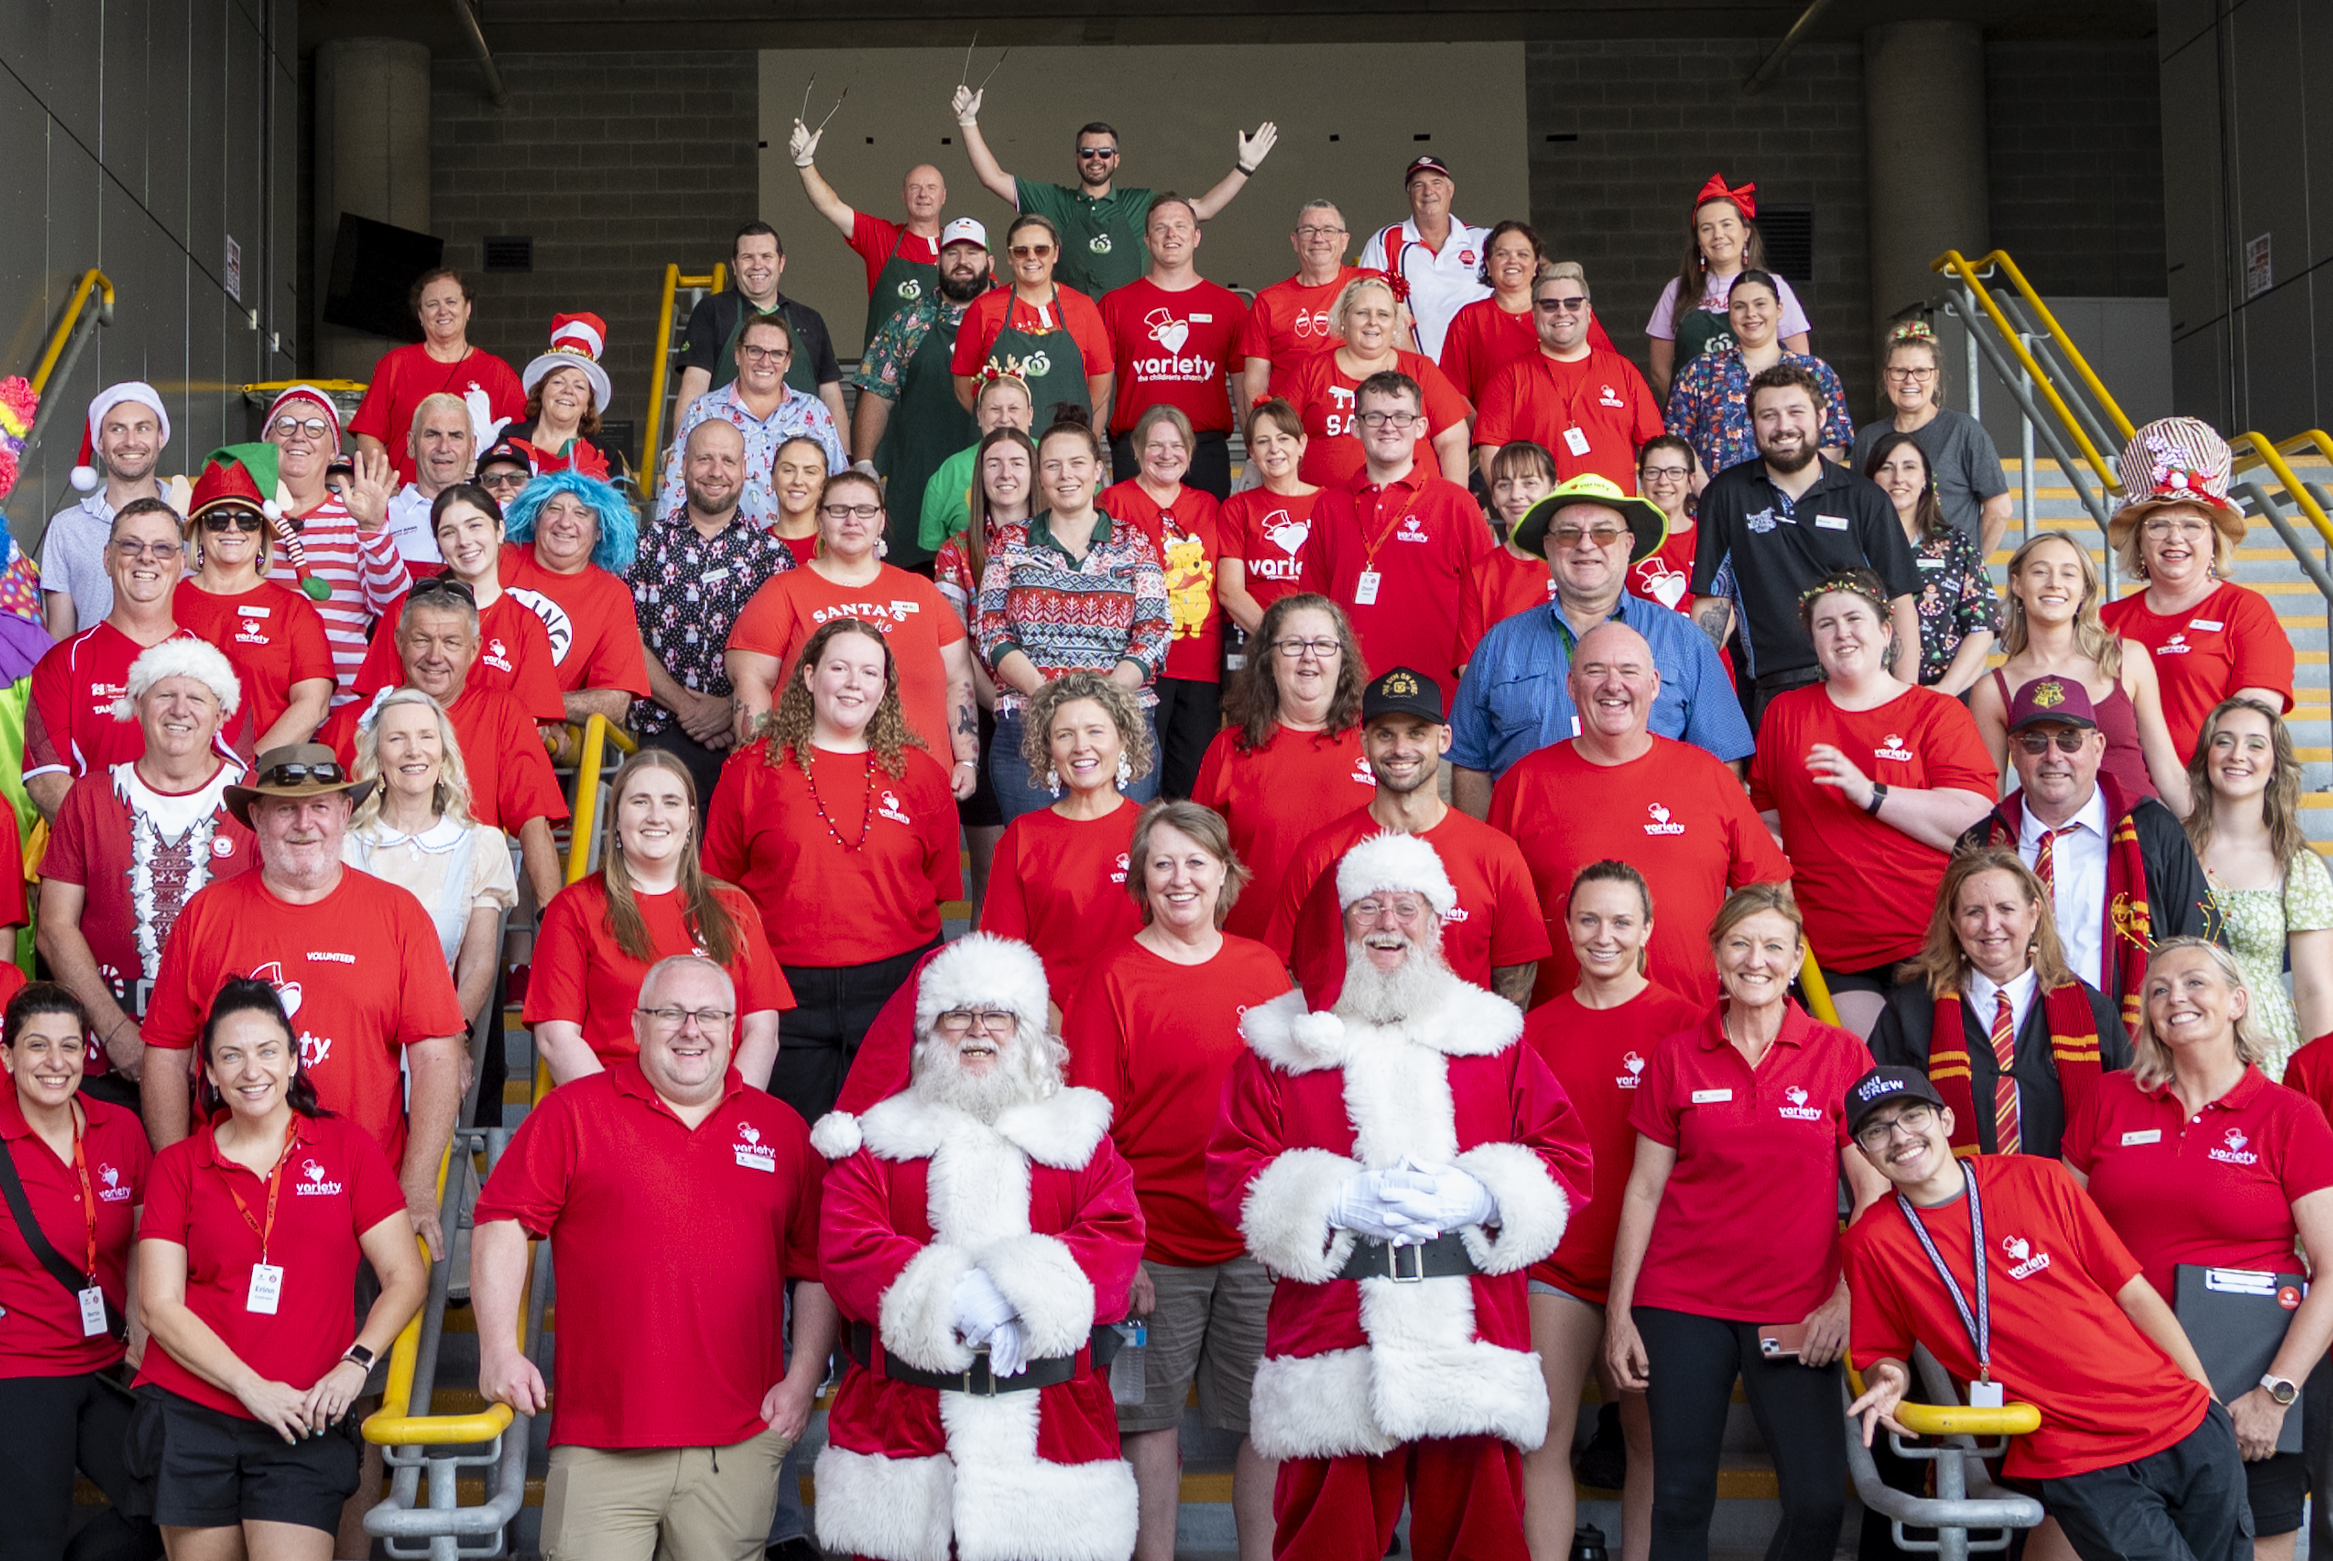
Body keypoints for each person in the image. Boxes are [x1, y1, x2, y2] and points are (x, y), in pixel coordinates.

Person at [1207, 831, 1591, 1561]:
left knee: (1481, 1540)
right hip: (1332, 1335)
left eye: (1406, 907)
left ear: (1436, 920)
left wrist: (1479, 1195)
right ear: (1339, 921)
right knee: (1325, 1541)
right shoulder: (1281, 1040)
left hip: (1470, 1335)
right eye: (1367, 907)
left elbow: (1565, 1159)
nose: (1387, 922)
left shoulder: (1491, 1035)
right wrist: (1329, 1199)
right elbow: (1232, 1170)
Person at [475, 954, 834, 1561]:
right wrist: (498, 1349)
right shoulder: (574, 1113)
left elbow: (815, 1268)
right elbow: (503, 1222)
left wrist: (801, 1382)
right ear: (638, 1025)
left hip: (737, 1448)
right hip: (602, 1447)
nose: (691, 1029)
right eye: (670, 1013)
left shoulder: (782, 1130)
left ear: (733, 1027)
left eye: (710, 1015)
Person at [808, 932, 1144, 1561]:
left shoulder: (1080, 1133)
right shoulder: (881, 1136)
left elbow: (1117, 1236)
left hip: (1055, 1436)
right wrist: (954, 1295)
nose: (977, 1032)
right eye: (957, 1015)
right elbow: (846, 1243)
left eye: (998, 1015)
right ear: (928, 1031)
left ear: (1030, 1031)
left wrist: (1016, 1291)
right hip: (904, 1432)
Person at [1841, 1065, 2248, 1561]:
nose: (1900, 1136)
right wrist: (1888, 1379)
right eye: (1877, 1129)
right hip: (2077, 1455)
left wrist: (2206, 1399)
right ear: (1863, 1152)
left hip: (2183, 1422)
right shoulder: (1871, 1242)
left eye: (1912, 1116)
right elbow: (1883, 1350)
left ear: (1946, 1121)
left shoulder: (2040, 1177)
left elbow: (2133, 1293)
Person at [1603, 884, 1884, 1560]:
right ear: (1716, 954)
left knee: (1817, 1499)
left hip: (1797, 1308)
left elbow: (1872, 1195)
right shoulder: (1676, 1056)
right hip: (1681, 1301)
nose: (1754, 959)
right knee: (1678, 1496)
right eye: (1738, 942)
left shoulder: (1839, 1055)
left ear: (1796, 961)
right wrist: (1618, 1314)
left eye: (1772, 946)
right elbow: (1642, 1190)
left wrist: (1845, 1300)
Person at [132, 979, 429, 1557]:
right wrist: (251, 1388)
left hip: (303, 1413)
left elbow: (405, 1275)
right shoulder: (178, 1166)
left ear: (295, 1060)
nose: (252, 1070)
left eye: (268, 1050)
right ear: (210, 1074)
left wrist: (357, 1363)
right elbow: (158, 1305)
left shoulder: (345, 1147)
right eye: (231, 1055)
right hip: (194, 1412)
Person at [1064, 801, 1289, 1561]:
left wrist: (1282, 1223)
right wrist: (1118, 1257)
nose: (1179, 877)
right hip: (1152, 1250)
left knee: (1270, 1417)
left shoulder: (1262, 969)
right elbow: (1090, 1134)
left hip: (1251, 1244)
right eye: (1161, 862)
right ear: (1140, 877)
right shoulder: (1112, 978)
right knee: (1146, 1418)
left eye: (1195, 860)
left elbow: (1289, 1106)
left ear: (1224, 872)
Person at [2060, 937, 2333, 1561]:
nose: (2174, 997)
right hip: (2121, 1389)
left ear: (2238, 1001)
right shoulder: (2107, 1099)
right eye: (2158, 989)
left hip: (2246, 1400)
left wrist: (2275, 1394)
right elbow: (2062, 1240)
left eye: (2194, 983)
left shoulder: (2290, 1116)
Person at [139, 746, 467, 1239]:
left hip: (362, 1204)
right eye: (286, 808)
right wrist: (175, 1183)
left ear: (344, 812)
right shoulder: (204, 915)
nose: (304, 823)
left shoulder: (398, 916)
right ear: (256, 815)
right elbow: (165, 1056)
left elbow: (437, 1060)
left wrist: (417, 1184)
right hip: (229, 1200)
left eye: (319, 807)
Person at [1520, 863, 1701, 1561]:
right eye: (1589, 919)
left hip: (1657, 1271)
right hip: (1556, 1267)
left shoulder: (1683, 1023)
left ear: (1647, 930)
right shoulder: (1531, 1030)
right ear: (1566, 928)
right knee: (1542, 1432)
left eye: (1621, 921)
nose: (1603, 935)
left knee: (1646, 1442)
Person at [709, 619, 958, 1127]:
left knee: (889, 1147)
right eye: (838, 668)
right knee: (788, 1149)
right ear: (806, 677)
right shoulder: (750, 768)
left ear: (884, 687)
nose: (853, 683)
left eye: (869, 672)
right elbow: (719, 886)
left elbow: (938, 884)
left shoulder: (921, 773)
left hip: (897, 989)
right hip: (783, 990)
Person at [1489, 620, 1789, 1002]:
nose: (1613, 684)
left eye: (1629, 671)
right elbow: (1497, 922)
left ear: (1654, 685)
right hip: (1565, 1039)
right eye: (1595, 670)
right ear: (1570, 686)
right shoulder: (1522, 784)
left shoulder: (1708, 776)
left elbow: (1769, 891)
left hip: (1692, 1037)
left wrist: (1749, 987)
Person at [1751, 572, 1997, 1035]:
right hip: (1833, 949)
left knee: (1932, 1088)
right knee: (1869, 1084)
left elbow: (1975, 827)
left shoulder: (1935, 712)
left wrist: (1871, 794)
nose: (1842, 632)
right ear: (1813, 640)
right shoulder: (1785, 712)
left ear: (1886, 631)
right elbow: (1770, 820)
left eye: (1854, 619)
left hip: (1932, 943)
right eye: (1826, 624)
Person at [37, 641, 252, 1113]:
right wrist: (115, 1032)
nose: (180, 709)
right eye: (163, 695)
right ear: (137, 706)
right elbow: (54, 928)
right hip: (103, 1054)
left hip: (229, 1064)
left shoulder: (252, 803)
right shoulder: (90, 797)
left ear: (221, 716)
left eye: (197, 698)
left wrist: (218, 1041)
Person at [1451, 476, 1753, 798]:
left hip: (1655, 841)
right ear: (1548, 547)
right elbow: (1470, 764)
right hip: (1526, 846)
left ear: (1628, 544)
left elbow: (1724, 761)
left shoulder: (1684, 641)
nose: (1586, 544)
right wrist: (1493, 849)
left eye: (1604, 532)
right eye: (1568, 533)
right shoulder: (1499, 645)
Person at [1266, 667, 1548, 1011]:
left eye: (1417, 734)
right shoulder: (1321, 853)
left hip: (1460, 1058)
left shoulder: (1496, 855)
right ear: (1364, 741)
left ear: (1443, 739)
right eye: (1385, 735)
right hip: (1351, 1056)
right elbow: (1291, 976)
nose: (1400, 749)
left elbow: (1514, 993)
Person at [1957, 676, 2222, 1032]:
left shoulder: (2153, 831)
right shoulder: (1980, 843)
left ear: (2098, 747)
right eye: (2035, 741)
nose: (2053, 756)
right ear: (2013, 751)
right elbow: (1951, 957)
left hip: (2134, 1048)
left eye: (2069, 740)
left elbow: (2201, 947)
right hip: (2012, 1050)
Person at [0, 982, 158, 1561]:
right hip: (20, 1369)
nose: (56, 1062)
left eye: (70, 1045)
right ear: (7, 1055)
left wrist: (142, 1328)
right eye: (37, 1046)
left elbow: (145, 1235)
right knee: (28, 1540)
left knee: (164, 1505)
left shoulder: (119, 1128)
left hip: (107, 1361)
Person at [536, 747, 787, 1085]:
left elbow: (762, 1031)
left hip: (715, 1113)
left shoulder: (734, 907)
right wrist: (619, 1122)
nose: (656, 816)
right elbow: (557, 1040)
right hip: (614, 1113)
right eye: (640, 801)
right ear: (616, 818)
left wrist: (726, 1117)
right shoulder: (573, 908)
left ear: (689, 819)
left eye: (671, 802)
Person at [1689, 365, 1923, 725]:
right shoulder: (1726, 495)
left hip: (1862, 688)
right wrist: (1690, 695)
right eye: (1769, 415)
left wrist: (1905, 702)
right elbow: (1712, 605)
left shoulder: (1866, 498)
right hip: (1774, 694)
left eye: (1795, 412)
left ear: (1821, 416)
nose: (1784, 426)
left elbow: (1900, 603)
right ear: (1753, 423)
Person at [1869, 847, 2131, 1158]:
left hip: (2065, 1199)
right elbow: (1878, 1118)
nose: (1991, 925)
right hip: (1949, 1201)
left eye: (2006, 909)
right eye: (1973, 912)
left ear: (2034, 914)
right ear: (1953, 921)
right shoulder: (1911, 1012)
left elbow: (2128, 1116)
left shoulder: (2092, 1011)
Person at [976, 409, 1169, 822]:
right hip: (1028, 726)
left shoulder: (1133, 542)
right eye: (1053, 465)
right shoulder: (1011, 543)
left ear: (1099, 471)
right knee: (1036, 859)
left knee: (1120, 862)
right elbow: (990, 631)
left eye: (1078, 462)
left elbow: (1154, 633)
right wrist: (1047, 695)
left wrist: (1101, 703)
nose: (1067, 474)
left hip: (1121, 724)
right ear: (1039, 476)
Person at [726, 471, 979, 782]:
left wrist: (967, 759)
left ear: (881, 521)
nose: (851, 520)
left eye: (864, 510)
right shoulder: (783, 591)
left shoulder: (922, 592)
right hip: (811, 784)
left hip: (920, 783)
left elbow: (959, 678)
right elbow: (751, 681)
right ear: (819, 519)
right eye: (838, 510)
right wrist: (761, 768)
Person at [332, 583, 568, 912]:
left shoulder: (502, 712)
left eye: (451, 643)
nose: (435, 656)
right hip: (364, 903)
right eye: (421, 640)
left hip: (464, 903)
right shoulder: (348, 722)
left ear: (474, 650)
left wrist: (550, 919)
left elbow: (533, 819)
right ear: (399, 642)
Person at [24, 497, 238, 820]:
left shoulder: (214, 665)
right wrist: (126, 841)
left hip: (194, 858)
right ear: (108, 558)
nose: (146, 558)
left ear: (181, 563)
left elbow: (233, 773)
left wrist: (171, 842)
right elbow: (45, 780)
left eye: (162, 548)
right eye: (130, 546)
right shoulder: (60, 664)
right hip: (95, 860)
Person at [2099, 416, 2295, 762]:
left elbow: (2253, 724)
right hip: (2125, 798)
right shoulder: (2104, 620)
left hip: (2216, 795)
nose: (2176, 538)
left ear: (2214, 541)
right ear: (2139, 541)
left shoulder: (2244, 610)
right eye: (2158, 525)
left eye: (2192, 525)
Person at [951, 93, 1274, 296]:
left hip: (1124, 328)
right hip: (1066, 326)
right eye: (1087, 152)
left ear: (1116, 159)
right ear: (1076, 157)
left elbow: (1203, 209)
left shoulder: (1141, 203)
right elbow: (992, 178)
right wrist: (968, 121)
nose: (1096, 158)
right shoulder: (1054, 201)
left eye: (1105, 152)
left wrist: (1244, 167)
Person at [628, 418, 797, 807]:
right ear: (683, 465)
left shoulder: (771, 557)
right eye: (704, 458)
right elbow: (625, 639)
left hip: (747, 735)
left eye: (727, 460)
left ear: (744, 470)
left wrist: (729, 709)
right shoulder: (646, 546)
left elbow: (791, 651)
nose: (716, 471)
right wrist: (686, 706)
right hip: (663, 733)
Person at [1191, 595, 1373, 941]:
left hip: (1354, 959)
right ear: (1267, 660)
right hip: (1252, 957)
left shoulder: (1372, 745)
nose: (1309, 656)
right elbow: (1198, 859)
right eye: (1292, 644)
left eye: (1323, 644)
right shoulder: (1228, 748)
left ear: (1342, 659)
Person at [1295, 370, 1487, 694]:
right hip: (1350, 696)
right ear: (1355, 427)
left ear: (1421, 427)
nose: (1388, 426)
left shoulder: (1456, 504)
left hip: (1438, 698)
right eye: (1375, 416)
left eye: (1401, 416)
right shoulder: (1329, 506)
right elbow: (1313, 606)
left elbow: (1486, 605)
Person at [344, 687, 519, 1037]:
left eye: (426, 736)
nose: (414, 750)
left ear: (443, 753)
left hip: (439, 1033)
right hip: (355, 1032)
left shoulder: (480, 846)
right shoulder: (343, 845)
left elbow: (477, 966)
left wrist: (450, 1043)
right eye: (397, 738)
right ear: (377, 757)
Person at [1972, 530, 2187, 811]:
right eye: (2040, 572)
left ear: (2084, 590)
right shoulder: (1992, 690)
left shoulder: (2128, 659)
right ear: (2017, 585)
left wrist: (2201, 845)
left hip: (2139, 835)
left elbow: (2168, 772)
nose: (2054, 584)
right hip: (2054, 841)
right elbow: (1991, 800)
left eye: (2068, 574)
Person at [980, 672, 1152, 1019]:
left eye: (1095, 731)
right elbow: (1002, 954)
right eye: (1064, 735)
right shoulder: (1022, 837)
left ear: (1123, 740)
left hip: (1143, 1019)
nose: (1080, 746)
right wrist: (1054, 1026)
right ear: (1048, 749)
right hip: (1050, 1027)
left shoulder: (1155, 831)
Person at [2182, 697, 2333, 1076]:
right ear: (2206, 756)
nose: (2238, 755)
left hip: (2267, 1049)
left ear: (2275, 766)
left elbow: (2315, 990)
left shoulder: (2298, 866)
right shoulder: (2173, 852)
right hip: (2185, 1040)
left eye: (2255, 743)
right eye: (2224, 741)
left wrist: (2321, 1087)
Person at [349, 486, 566, 726]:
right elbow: (379, 707)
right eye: (448, 532)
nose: (464, 541)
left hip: (489, 758)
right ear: (438, 545)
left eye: (475, 526)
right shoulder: (404, 609)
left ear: (500, 531)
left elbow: (525, 725)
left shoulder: (527, 625)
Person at [1098, 405, 1227, 797]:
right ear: (1136, 450)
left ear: (1189, 452)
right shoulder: (1112, 502)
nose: (1166, 454)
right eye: (1155, 445)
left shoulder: (1208, 505)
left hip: (1199, 661)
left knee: (1189, 781)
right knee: (1135, 776)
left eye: (1176, 445)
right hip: (1135, 661)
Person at [849, 217, 991, 569]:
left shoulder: (1010, 317)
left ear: (989, 261)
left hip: (995, 480)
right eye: (952, 252)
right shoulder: (907, 322)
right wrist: (865, 463)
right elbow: (877, 394)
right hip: (917, 482)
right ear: (938, 262)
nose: (962, 261)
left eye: (972, 252)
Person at [935, 427, 1038, 905]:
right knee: (993, 880)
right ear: (979, 476)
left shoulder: (1057, 540)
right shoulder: (956, 551)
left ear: (1034, 471)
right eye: (993, 463)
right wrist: (1002, 703)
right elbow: (953, 647)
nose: (1005, 473)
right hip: (987, 715)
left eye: (1017, 462)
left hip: (1052, 716)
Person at [175, 455, 335, 756]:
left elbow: (313, 705)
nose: (232, 529)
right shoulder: (165, 600)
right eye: (217, 518)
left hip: (261, 782)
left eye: (247, 520)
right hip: (171, 780)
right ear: (198, 529)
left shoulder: (294, 611)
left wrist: (245, 768)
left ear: (262, 533)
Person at [259, 387, 407, 702]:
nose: (299, 436)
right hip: (257, 705)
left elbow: (395, 605)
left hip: (339, 712)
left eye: (315, 428)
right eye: (285, 425)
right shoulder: (242, 517)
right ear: (267, 441)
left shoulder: (355, 514)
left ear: (332, 451)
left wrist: (372, 528)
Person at [1098, 196, 1249, 494]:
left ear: (1196, 237)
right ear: (1146, 239)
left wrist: (1255, 451)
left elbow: (1245, 390)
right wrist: (1090, 451)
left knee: (1204, 540)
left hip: (1204, 450)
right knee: (1134, 539)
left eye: (1181, 226)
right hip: (1136, 449)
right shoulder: (1115, 304)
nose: (1171, 234)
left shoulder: (1230, 306)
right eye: (1160, 227)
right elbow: (1099, 392)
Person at [1473, 263, 1663, 490]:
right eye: (1549, 305)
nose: (1562, 312)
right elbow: (1490, 454)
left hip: (1614, 518)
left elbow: (1654, 450)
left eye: (1572, 303)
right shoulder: (1509, 377)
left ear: (1589, 312)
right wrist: (1513, 506)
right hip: (1542, 519)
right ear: (1534, 314)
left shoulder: (1624, 371)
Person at [1280, 276, 1471, 489]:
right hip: (1324, 511)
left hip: (1415, 511)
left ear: (1396, 323)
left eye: (1383, 314)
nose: (1373, 321)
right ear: (1343, 317)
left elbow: (1452, 441)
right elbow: (1278, 434)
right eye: (1362, 313)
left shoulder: (1421, 369)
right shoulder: (1310, 370)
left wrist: (1454, 502)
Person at [656, 315, 848, 526]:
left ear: (788, 362)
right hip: (726, 550)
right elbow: (677, 487)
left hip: (804, 548)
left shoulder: (813, 411)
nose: (765, 362)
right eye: (755, 350)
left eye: (777, 353)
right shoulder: (703, 410)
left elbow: (839, 488)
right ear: (738, 354)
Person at [1665, 269, 1853, 482]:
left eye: (1760, 304)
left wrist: (1797, 491)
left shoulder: (1815, 372)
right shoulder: (1700, 371)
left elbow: (1835, 441)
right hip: (1718, 507)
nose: (1750, 313)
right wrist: (1710, 497)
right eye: (1739, 306)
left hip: (1795, 506)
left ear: (1779, 309)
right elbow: (1678, 441)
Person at [499, 470, 653, 728]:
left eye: (581, 513)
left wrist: (536, 708)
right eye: (553, 509)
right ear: (535, 520)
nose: (565, 522)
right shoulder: (501, 558)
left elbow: (614, 701)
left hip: (538, 737)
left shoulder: (611, 594)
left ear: (600, 531)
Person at [1847, 320, 2013, 557]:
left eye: (1921, 371)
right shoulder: (1868, 438)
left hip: (1948, 580)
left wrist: (1970, 568)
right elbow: (1860, 511)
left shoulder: (1963, 430)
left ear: (1935, 378)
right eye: (1899, 371)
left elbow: (2000, 509)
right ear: (1886, 377)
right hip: (1885, 572)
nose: (1910, 380)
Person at [1644, 174, 1812, 400]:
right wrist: (1691, 411)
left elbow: (1800, 361)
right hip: (1696, 425)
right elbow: (1659, 369)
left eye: (1726, 224)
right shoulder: (1677, 290)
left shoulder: (1775, 286)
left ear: (1746, 233)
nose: (1718, 235)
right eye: (1707, 228)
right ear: (1698, 241)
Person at [349, 269, 524, 487]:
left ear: (467, 308)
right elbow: (368, 433)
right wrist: (391, 487)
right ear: (421, 315)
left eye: (451, 301)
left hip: (473, 503)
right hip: (407, 499)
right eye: (432, 304)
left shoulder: (498, 372)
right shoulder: (395, 364)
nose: (443, 311)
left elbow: (521, 443)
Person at [673, 223, 849, 438]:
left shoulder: (810, 319)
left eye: (766, 256)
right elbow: (694, 385)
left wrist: (845, 459)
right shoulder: (712, 311)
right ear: (734, 265)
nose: (758, 265)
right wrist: (682, 450)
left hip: (802, 458)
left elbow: (831, 394)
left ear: (781, 262)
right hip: (729, 455)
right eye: (748, 257)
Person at [949, 212, 1114, 426]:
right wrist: (998, 425)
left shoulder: (1083, 307)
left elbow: (1101, 384)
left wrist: (1071, 425)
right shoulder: (982, 309)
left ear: (1055, 254)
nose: (1031, 257)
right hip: (1004, 448)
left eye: (1041, 249)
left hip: (1063, 447)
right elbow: (963, 387)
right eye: (1020, 251)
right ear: (1009, 257)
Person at [1865, 431, 1997, 695]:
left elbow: (1982, 626)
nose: (1898, 478)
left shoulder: (1955, 544)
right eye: (1887, 468)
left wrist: (1943, 692)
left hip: (1945, 690)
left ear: (1925, 479)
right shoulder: (1856, 542)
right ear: (1871, 479)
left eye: (1909, 467)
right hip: (1870, 691)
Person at [785, 136, 947, 343]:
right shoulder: (882, 237)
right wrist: (805, 164)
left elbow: (989, 300)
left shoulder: (960, 246)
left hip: (944, 371)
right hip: (886, 372)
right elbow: (831, 206)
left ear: (943, 196)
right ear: (903, 196)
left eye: (931, 188)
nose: (923, 194)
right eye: (914, 187)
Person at [1441, 223, 1618, 409]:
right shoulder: (1470, 318)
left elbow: (1608, 370)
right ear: (1487, 263)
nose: (1512, 261)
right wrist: (1484, 431)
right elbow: (1452, 392)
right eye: (1502, 254)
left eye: (1522, 254)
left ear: (1535, 265)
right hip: (1494, 434)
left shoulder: (1566, 312)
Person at [44, 382, 171, 639]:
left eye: (143, 428)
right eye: (117, 429)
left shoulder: (190, 514)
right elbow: (60, 636)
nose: (131, 441)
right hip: (94, 677)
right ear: (100, 441)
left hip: (177, 677)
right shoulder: (67, 528)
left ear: (160, 437)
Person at [1357, 156, 1492, 361]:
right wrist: (1421, 372)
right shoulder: (1385, 241)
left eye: (1436, 183)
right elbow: (1365, 307)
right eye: (1418, 185)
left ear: (1450, 189)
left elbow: (1525, 270)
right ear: (1409, 194)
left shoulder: (1483, 240)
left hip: (1481, 372)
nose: (1428, 191)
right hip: (1413, 375)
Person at [1239, 202, 1372, 402]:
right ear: (1294, 241)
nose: (1318, 238)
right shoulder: (1268, 301)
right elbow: (1255, 384)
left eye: (1328, 230)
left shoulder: (1371, 285)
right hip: (1292, 425)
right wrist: (1263, 429)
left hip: (1363, 421)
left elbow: (1403, 354)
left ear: (1344, 241)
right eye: (1308, 231)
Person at [1215, 398, 1319, 629]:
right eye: (1263, 441)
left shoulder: (1328, 504)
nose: (1274, 449)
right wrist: (1276, 638)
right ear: (1251, 452)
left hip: (1315, 637)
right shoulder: (1236, 508)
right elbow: (1230, 590)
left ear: (1301, 444)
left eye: (1283, 438)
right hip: (1257, 637)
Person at [1458, 441, 1559, 667]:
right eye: (1504, 485)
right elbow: (1469, 668)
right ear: (1493, 496)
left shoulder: (1580, 561)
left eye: (1529, 483)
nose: (1516, 495)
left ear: (1554, 489)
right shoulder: (1480, 573)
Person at [918, 369, 1037, 558]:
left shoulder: (1053, 458)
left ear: (1030, 414)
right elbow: (934, 552)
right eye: (994, 409)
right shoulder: (951, 470)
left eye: (1013, 409)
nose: (1004, 418)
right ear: (979, 416)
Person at [509, 312, 630, 481]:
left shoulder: (606, 457)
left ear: (588, 404)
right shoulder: (508, 442)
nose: (568, 391)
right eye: (558, 382)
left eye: (579, 386)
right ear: (541, 392)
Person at [377, 392, 474, 572]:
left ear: (472, 448)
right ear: (411, 445)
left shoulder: (500, 514)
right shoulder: (379, 517)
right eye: (432, 435)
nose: (444, 447)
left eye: (455, 436)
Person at [1628, 434, 1703, 614]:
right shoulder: (1624, 539)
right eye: (1653, 472)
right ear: (1641, 480)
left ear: (1690, 481)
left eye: (1675, 472)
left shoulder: (1711, 537)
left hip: (1704, 641)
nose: (1663, 481)